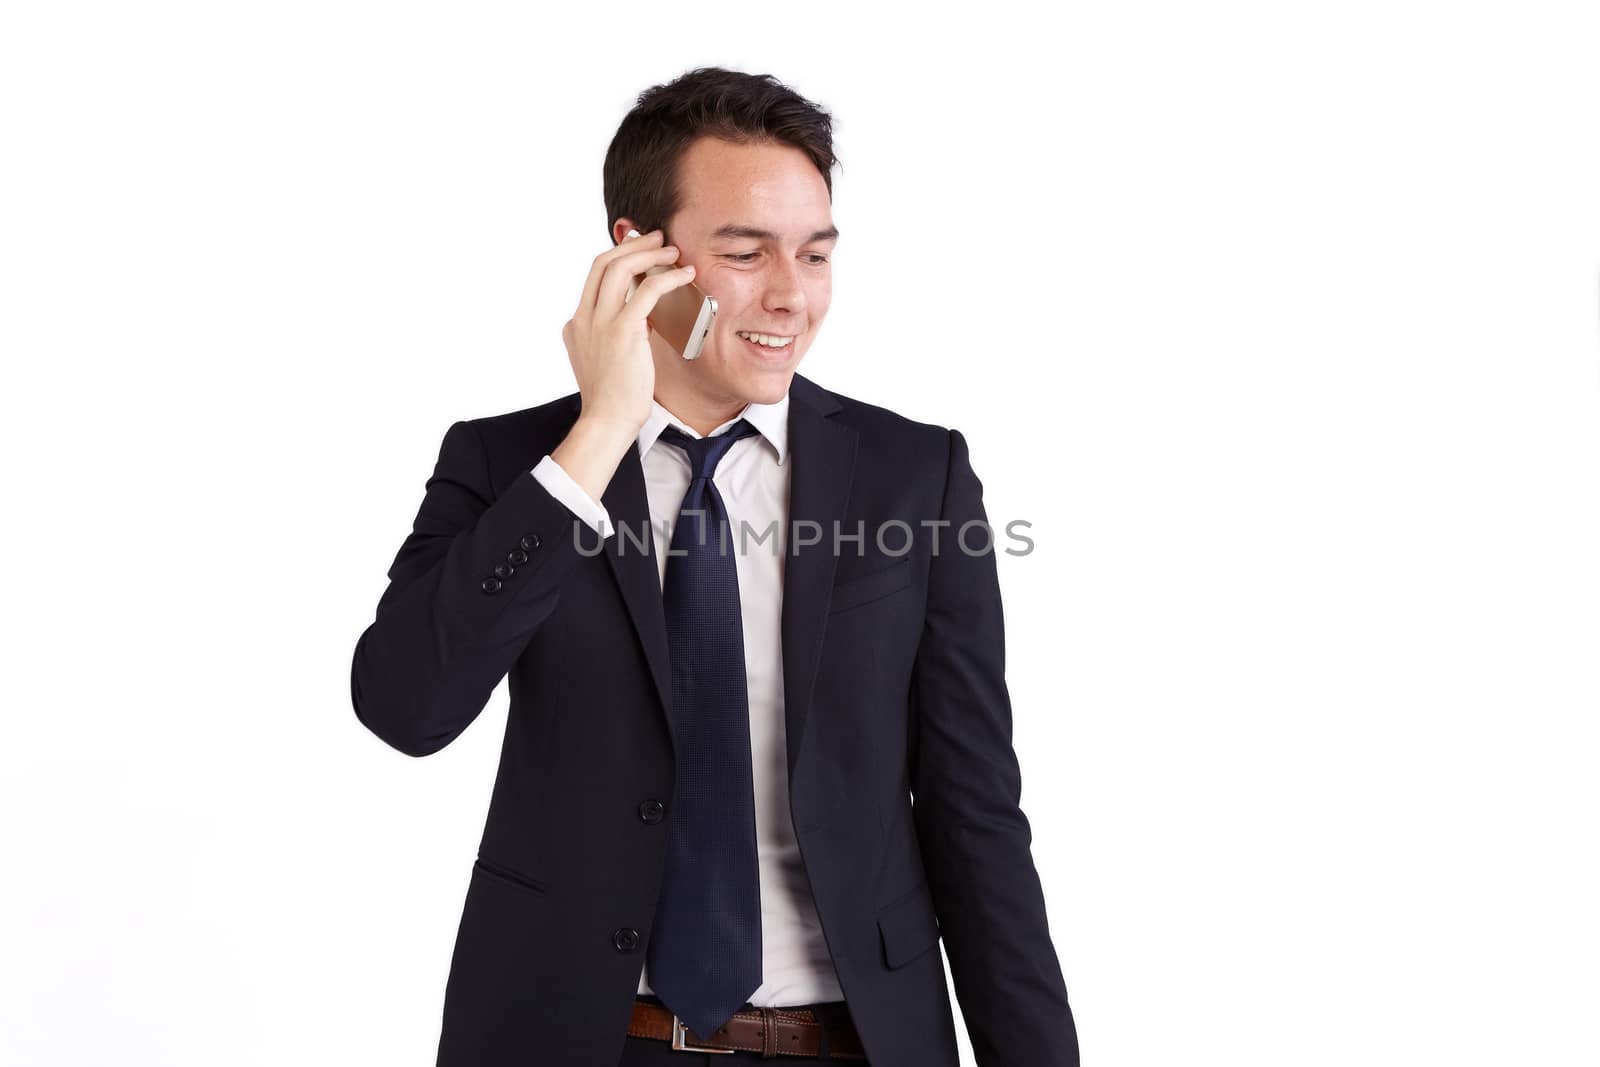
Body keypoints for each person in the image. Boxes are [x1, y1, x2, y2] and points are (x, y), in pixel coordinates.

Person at [350, 66, 1080, 1067]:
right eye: (747, 251)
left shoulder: (914, 475)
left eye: (814, 253)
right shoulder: (506, 466)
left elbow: (974, 811)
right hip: (581, 1037)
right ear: (637, 255)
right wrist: (599, 431)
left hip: (849, 1040)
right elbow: (406, 705)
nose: (791, 293)